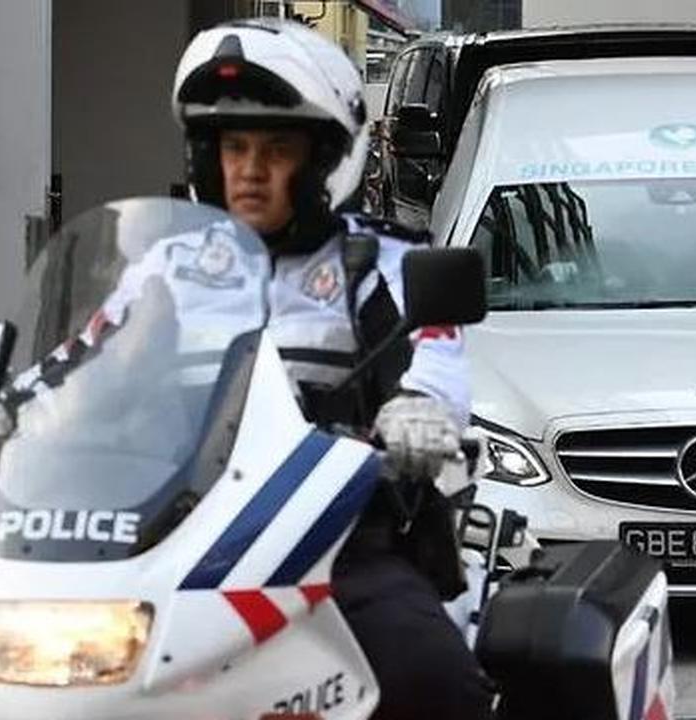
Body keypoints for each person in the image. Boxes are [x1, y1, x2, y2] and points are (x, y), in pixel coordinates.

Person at [171, 19, 492, 720]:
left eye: (275, 148)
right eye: (234, 147)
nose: (250, 169)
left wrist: (419, 411)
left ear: (320, 161)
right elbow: (82, 363)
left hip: (332, 542)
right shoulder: (163, 271)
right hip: (172, 539)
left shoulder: (383, 264)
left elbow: (437, 362)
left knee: (434, 679)